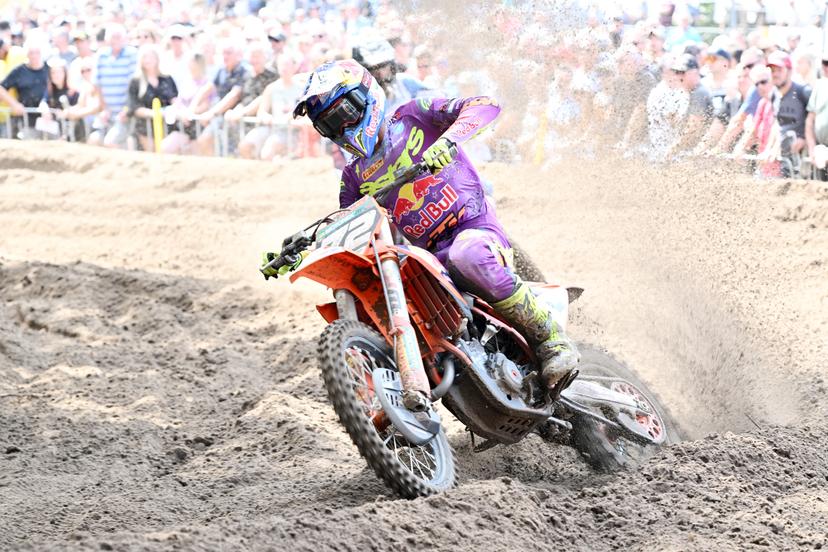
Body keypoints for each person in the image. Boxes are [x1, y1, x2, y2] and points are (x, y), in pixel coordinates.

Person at [272, 59, 579, 394]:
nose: (342, 129)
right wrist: (305, 246)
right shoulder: (354, 177)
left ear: (365, 98)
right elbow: (348, 223)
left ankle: (551, 339)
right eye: (329, 125)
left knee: (468, 256)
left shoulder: (414, 115)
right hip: (428, 257)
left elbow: (484, 106)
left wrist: (448, 141)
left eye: (344, 114)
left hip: (472, 225)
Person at [193, 40, 249, 156]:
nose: (225, 56)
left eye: (228, 53)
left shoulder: (243, 71)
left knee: (231, 151)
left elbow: (234, 95)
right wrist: (192, 107)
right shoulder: (220, 70)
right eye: (223, 53)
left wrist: (212, 113)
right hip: (220, 116)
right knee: (204, 140)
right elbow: (207, 88)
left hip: (235, 117)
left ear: (237, 55)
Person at [89, 24, 138, 148]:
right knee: (94, 140)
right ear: (106, 39)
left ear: (124, 39)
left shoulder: (132, 54)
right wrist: (104, 109)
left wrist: (126, 111)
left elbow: (133, 86)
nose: (115, 40)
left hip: (124, 112)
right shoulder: (101, 55)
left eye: (118, 37)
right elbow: (97, 84)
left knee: (112, 141)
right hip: (106, 112)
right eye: (112, 37)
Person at [126, 45, 178, 152]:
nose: (148, 60)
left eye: (151, 57)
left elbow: (174, 99)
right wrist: (154, 113)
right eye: (145, 57)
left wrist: (171, 111)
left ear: (158, 59)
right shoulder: (135, 81)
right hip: (144, 127)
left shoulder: (166, 79)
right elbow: (134, 106)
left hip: (167, 125)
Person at [766, 51, 810, 158]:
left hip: (804, 157)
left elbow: (814, 120)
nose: (775, 74)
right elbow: (777, 124)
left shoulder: (803, 92)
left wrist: (804, 138)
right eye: (772, 70)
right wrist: (769, 149)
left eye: (779, 70)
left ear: (790, 71)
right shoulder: (774, 94)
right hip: (784, 156)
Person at [0, 40, 48, 138]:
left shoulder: (49, 69)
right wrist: (14, 104)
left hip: (46, 119)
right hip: (25, 119)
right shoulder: (19, 71)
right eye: (31, 52)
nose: (34, 56)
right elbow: (1, 88)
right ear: (26, 54)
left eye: (37, 52)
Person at [804, 52, 828, 180]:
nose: (826, 66)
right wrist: (812, 148)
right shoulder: (820, 86)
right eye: (824, 63)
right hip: (822, 149)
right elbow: (809, 121)